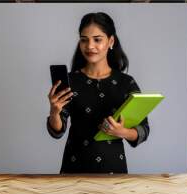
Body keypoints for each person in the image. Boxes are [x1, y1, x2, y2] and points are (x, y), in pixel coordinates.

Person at [47, 12, 149, 174]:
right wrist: (54, 112)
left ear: (111, 41)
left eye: (97, 39)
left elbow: (143, 130)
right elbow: (57, 131)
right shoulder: (70, 81)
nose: (89, 46)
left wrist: (122, 132)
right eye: (84, 40)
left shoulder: (126, 82)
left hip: (114, 169)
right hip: (74, 169)